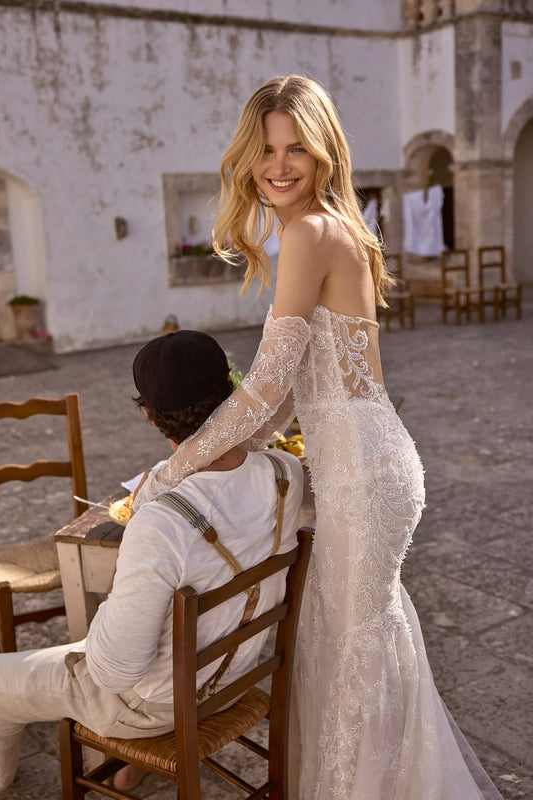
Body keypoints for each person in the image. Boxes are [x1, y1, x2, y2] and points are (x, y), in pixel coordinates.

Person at [130, 76, 504, 799]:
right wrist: (233, 452)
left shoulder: (310, 232)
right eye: (266, 149)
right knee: (355, 643)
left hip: (364, 470)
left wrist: (174, 467)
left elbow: (266, 385)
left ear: (324, 153)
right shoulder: (334, 228)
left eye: (296, 148)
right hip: (369, 459)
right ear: (248, 156)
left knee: (355, 652)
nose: (278, 165)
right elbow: (289, 396)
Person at [0, 330, 304, 793]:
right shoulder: (283, 473)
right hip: (237, 677)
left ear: (149, 416)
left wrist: (114, 596)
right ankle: (134, 764)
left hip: (155, 708)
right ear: (232, 391)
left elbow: (113, 673)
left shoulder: (162, 523)